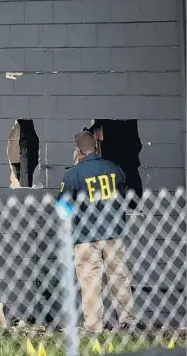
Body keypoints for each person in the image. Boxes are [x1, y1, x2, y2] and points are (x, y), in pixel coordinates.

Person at [57, 131, 142, 334]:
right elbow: (124, 199)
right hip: (114, 233)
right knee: (119, 277)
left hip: (86, 236)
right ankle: (128, 321)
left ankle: (94, 327)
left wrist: (74, 215)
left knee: (90, 281)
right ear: (95, 147)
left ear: (77, 150)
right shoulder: (115, 169)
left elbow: (62, 208)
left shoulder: (72, 175)